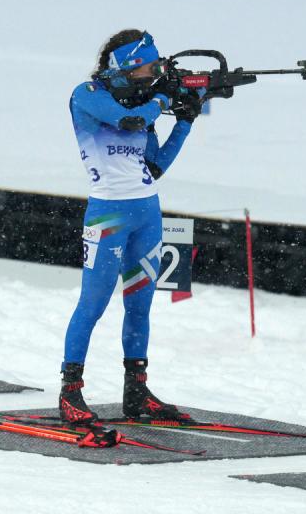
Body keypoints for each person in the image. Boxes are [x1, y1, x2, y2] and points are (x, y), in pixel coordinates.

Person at [59, 29, 199, 424]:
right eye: (150, 67)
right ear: (128, 66)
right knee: (94, 303)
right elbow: (130, 118)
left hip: (147, 213)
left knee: (140, 306)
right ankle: (70, 393)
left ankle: (136, 392)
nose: (155, 73)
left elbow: (154, 168)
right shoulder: (87, 94)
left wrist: (184, 123)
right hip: (108, 217)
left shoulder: (143, 100)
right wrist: (164, 99)